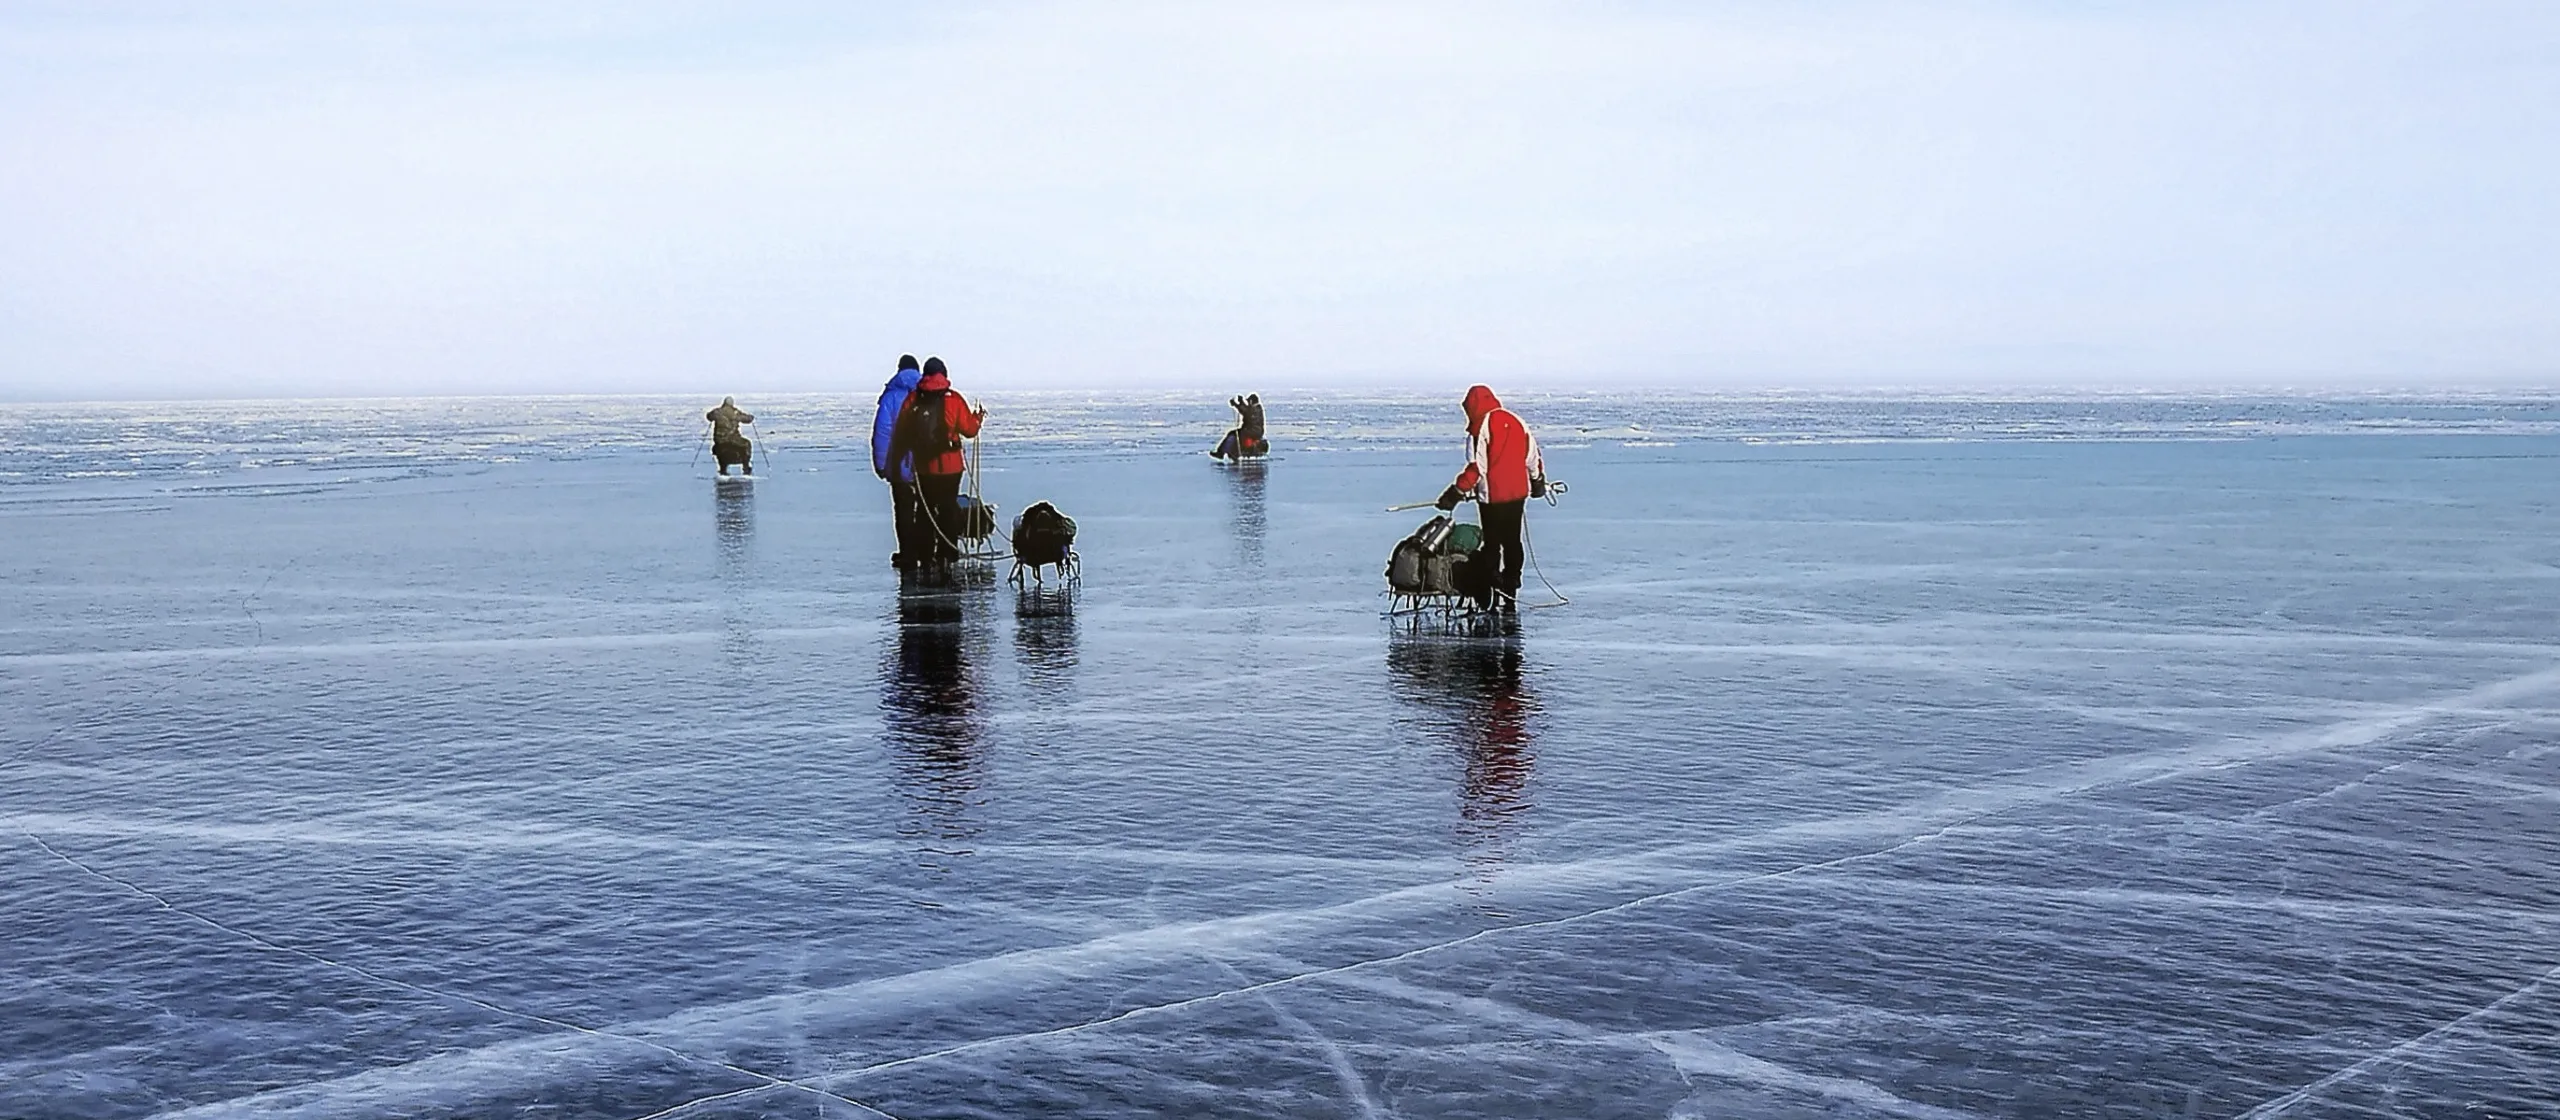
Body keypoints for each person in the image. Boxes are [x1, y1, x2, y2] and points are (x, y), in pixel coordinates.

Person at [1435, 385, 1545, 611]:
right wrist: (1537, 481)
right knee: (1513, 542)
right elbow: (1532, 456)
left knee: (1492, 544)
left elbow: (1476, 469)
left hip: (1492, 497)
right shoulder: (1516, 421)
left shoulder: (1480, 429)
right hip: (1517, 495)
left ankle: (1492, 587)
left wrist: (1455, 493)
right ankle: (1511, 587)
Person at [888, 356, 984, 566]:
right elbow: (969, 430)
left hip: (924, 465)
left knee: (925, 510)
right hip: (951, 465)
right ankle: (947, 552)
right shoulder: (954, 399)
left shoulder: (913, 399)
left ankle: (925, 554)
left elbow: (901, 433)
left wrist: (896, 462)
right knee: (948, 507)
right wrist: (978, 419)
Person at [871, 355, 928, 568]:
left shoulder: (890, 398)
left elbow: (882, 433)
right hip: (925, 465)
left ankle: (908, 554)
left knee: (903, 510)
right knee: (926, 510)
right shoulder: (927, 394)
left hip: (899, 464)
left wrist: (881, 465)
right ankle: (926, 552)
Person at [704, 396, 755, 475]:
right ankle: (746, 466)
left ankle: (722, 469)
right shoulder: (736, 412)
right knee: (747, 444)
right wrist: (751, 417)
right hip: (733, 438)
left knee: (718, 447)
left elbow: (709, 417)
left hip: (719, 439)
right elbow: (747, 419)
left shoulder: (717, 412)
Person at [1211, 393, 1267, 460]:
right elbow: (1246, 410)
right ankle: (1229, 451)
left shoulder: (1255, 409)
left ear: (1251, 401)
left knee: (1232, 434)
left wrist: (1236, 404)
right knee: (1235, 433)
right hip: (1254, 430)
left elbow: (1246, 412)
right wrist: (1240, 403)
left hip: (1252, 431)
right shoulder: (1256, 408)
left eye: (1248, 401)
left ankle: (1222, 452)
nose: (1248, 402)